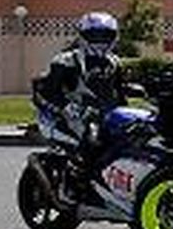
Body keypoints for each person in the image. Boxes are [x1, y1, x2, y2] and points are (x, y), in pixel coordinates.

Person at [33, 11, 128, 168]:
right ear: (83, 35)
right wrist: (67, 107)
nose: (100, 40)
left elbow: (119, 92)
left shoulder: (114, 62)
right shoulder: (65, 61)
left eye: (105, 35)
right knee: (91, 145)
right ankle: (82, 180)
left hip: (104, 115)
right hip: (71, 115)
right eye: (94, 35)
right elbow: (47, 91)